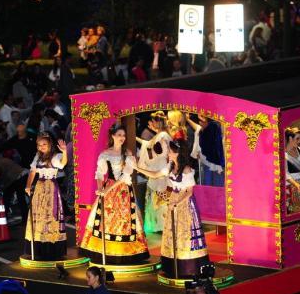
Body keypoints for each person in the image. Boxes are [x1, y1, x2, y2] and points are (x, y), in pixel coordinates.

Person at [135, 140, 209, 278]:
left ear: (177, 153)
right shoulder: (170, 166)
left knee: (185, 234)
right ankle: (172, 265)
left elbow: (189, 192)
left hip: (184, 204)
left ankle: (188, 267)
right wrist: (137, 168)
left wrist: (177, 203)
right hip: (173, 201)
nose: (168, 153)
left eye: (170, 151)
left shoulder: (186, 169)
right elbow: (155, 174)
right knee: (171, 234)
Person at [80, 123, 149, 264]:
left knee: (125, 220)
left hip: (123, 190)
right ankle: (105, 251)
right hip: (109, 189)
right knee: (106, 219)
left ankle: (127, 252)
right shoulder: (105, 154)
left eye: (123, 135)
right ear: (112, 136)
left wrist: (107, 190)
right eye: (119, 135)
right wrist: (100, 188)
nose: (122, 138)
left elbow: (125, 176)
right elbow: (100, 173)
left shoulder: (128, 154)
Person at [24, 133, 68, 260]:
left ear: (49, 145)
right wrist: (28, 185)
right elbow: (32, 171)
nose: (41, 147)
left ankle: (51, 246)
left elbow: (62, 164)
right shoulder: (37, 157)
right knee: (39, 217)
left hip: (51, 189)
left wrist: (64, 152)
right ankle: (39, 245)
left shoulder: (55, 156)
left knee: (50, 216)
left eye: (44, 144)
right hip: (39, 188)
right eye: (39, 145)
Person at [137, 111, 171, 233]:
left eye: (152, 121)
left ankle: (162, 225)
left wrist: (148, 147)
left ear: (157, 122)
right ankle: (158, 225)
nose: (150, 124)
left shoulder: (162, 136)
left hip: (161, 169)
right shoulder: (161, 135)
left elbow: (160, 152)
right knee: (156, 197)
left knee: (161, 198)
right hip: (158, 168)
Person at [187, 114, 225, 186]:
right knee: (206, 184)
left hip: (215, 164)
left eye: (202, 118)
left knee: (217, 185)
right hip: (205, 162)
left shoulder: (214, 128)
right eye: (199, 120)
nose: (200, 122)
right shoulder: (200, 129)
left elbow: (218, 146)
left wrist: (219, 165)